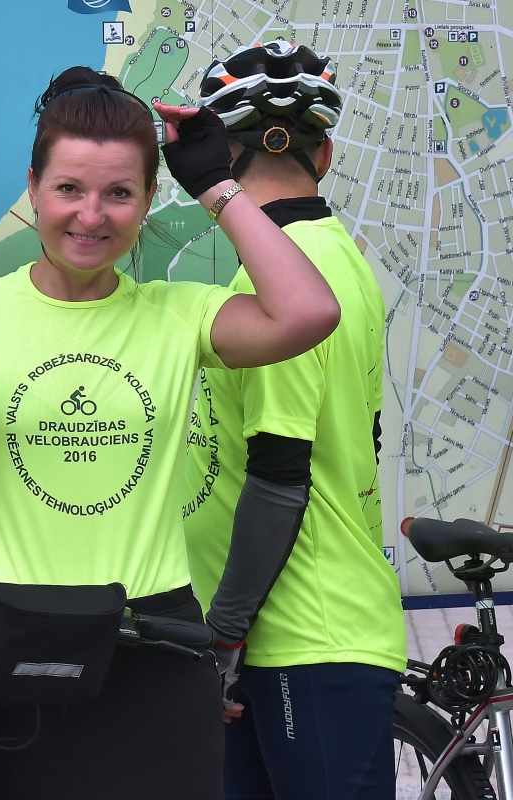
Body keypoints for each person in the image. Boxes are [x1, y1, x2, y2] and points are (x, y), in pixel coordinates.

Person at [0, 66, 341, 799]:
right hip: (9, 650)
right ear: (33, 187)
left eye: (119, 193)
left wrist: (217, 186)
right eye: (69, 189)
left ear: (148, 198)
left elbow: (310, 312)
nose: (91, 215)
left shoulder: (178, 314)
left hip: (156, 652)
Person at [182, 42, 406, 800]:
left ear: (222, 156)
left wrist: (223, 635)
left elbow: (281, 477)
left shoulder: (280, 279)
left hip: (299, 636)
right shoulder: (336, 254)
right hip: (298, 632)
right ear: (328, 154)